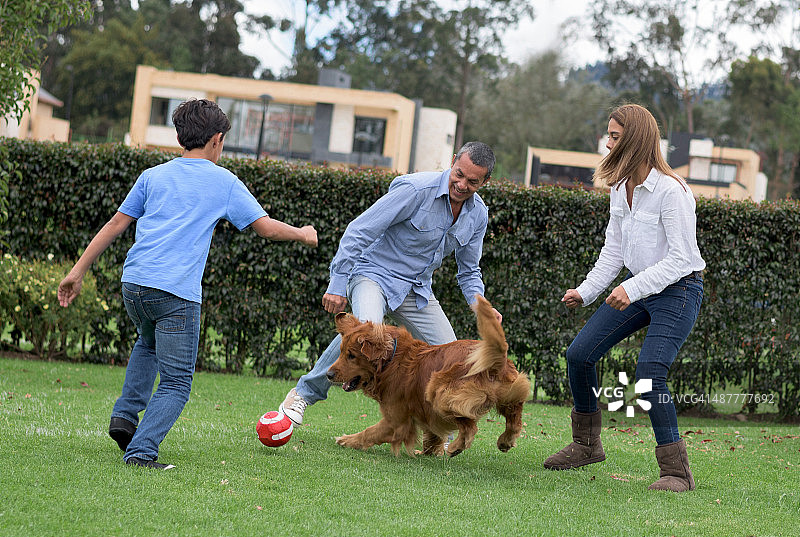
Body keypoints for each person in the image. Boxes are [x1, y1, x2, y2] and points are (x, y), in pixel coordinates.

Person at [57, 98, 318, 470]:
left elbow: (115, 224)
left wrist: (77, 271)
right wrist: (303, 233)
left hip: (135, 284)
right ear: (216, 140)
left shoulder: (153, 176)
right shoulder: (224, 181)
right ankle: (141, 452)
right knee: (177, 382)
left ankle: (125, 417)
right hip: (175, 293)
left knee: (148, 343)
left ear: (181, 137)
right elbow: (265, 228)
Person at [279, 141, 502, 426]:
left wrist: (481, 306)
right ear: (453, 160)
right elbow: (359, 230)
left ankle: (439, 431)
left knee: (450, 356)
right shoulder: (415, 190)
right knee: (366, 332)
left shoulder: (478, 214)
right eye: (459, 174)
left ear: (485, 181)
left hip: (417, 290)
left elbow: (469, 271)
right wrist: (338, 281)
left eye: (472, 182)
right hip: (374, 275)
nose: (461, 184)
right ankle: (303, 394)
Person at [544, 104, 705, 493]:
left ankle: (677, 473)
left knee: (649, 373)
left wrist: (631, 289)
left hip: (679, 289)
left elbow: (680, 259)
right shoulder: (620, 188)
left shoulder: (672, 191)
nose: (608, 143)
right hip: (638, 287)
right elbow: (613, 251)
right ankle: (586, 445)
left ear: (634, 140)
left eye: (614, 137)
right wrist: (585, 292)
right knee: (579, 355)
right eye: (609, 135)